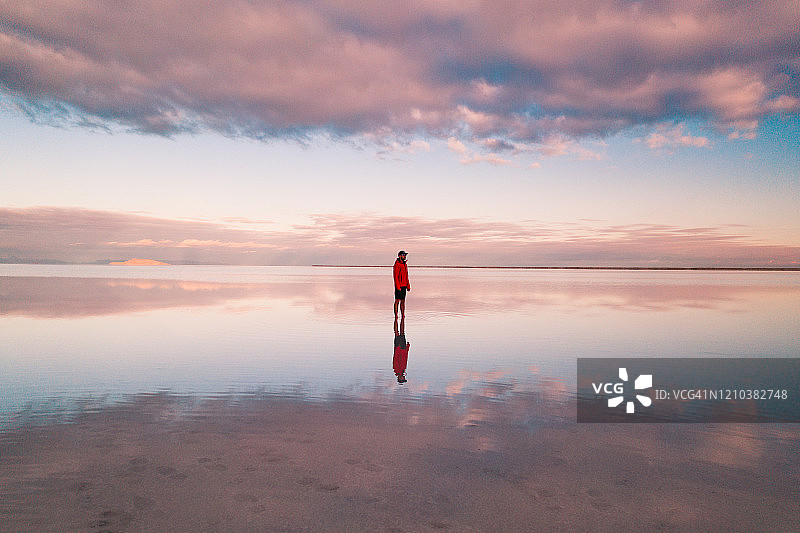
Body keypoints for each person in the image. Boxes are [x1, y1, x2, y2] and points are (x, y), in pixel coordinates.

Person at [393, 250, 410, 319]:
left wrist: (408, 285)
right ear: (399, 256)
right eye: (403, 255)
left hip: (404, 286)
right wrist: (398, 286)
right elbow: (395, 276)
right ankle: (396, 316)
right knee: (397, 300)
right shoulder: (397, 264)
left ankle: (403, 315)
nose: (405, 256)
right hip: (399, 286)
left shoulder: (405, 264)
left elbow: (406, 276)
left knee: (403, 301)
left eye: (405, 255)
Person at [393, 316, 409, 383]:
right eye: (404, 378)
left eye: (402, 378)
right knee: (402, 332)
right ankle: (402, 316)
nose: (404, 377)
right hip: (404, 348)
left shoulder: (396, 369)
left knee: (396, 332)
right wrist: (407, 348)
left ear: (399, 378)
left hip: (399, 348)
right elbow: (405, 358)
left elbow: (395, 358)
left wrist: (398, 348)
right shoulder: (403, 370)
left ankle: (396, 317)